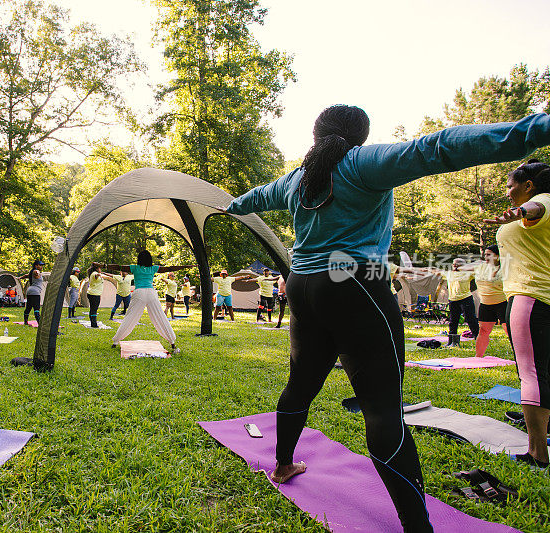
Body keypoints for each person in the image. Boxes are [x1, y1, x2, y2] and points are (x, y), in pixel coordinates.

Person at [225, 105, 550, 532]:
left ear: (317, 134)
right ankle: (418, 527)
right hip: (353, 282)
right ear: (360, 135)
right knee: (382, 410)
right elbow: (436, 147)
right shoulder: (362, 163)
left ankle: (283, 465)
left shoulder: (297, 180)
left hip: (303, 284)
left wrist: (232, 205)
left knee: (300, 383)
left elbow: (255, 198)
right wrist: (534, 129)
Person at [485, 158, 550, 468]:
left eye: (511, 186)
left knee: (531, 372)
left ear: (529, 186)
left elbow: (535, 211)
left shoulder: (541, 203)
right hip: (542, 295)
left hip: (530, 297)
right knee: (544, 368)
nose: (508, 192)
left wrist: (520, 211)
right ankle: (542, 424)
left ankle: (538, 452)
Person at [100, 251, 193, 354]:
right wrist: (186, 266)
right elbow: (169, 268)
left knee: (129, 317)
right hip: (151, 293)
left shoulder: (134, 268)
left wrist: (104, 265)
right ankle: (172, 343)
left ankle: (116, 341)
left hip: (139, 293)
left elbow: (119, 267)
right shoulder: (153, 268)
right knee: (161, 317)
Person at [455, 245, 509, 357]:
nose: (486, 257)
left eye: (489, 254)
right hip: (486, 304)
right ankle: (478, 357)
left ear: (498, 256)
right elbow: (463, 267)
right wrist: (458, 266)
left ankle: (522, 358)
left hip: (503, 304)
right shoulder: (480, 266)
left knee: (510, 332)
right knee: (483, 331)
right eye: (485, 254)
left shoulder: (505, 268)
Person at [86, 264, 114, 328]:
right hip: (94, 294)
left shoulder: (93, 273)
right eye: (99, 268)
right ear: (97, 269)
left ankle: (93, 323)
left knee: (93, 309)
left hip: (93, 293)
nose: (100, 269)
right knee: (94, 310)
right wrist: (100, 274)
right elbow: (96, 275)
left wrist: (103, 274)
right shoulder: (94, 273)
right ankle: (94, 324)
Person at [20, 260, 45, 325]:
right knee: (36, 308)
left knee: (28, 307)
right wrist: (37, 272)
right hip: (35, 292)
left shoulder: (31, 272)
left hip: (30, 291)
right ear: (36, 266)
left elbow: (26, 275)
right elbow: (35, 272)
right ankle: (40, 324)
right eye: (40, 265)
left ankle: (25, 322)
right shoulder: (35, 271)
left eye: (42, 265)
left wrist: (19, 278)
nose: (41, 266)